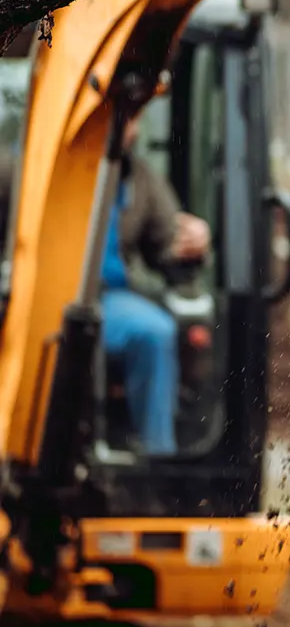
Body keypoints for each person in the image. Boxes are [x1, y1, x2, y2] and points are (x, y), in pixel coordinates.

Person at [100, 114, 210, 456]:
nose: (129, 127)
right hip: (41, 294)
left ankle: (157, 457)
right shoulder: (32, 165)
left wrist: (193, 245)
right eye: (122, 116)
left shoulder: (139, 179)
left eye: (134, 117)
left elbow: (168, 241)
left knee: (154, 332)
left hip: (107, 299)